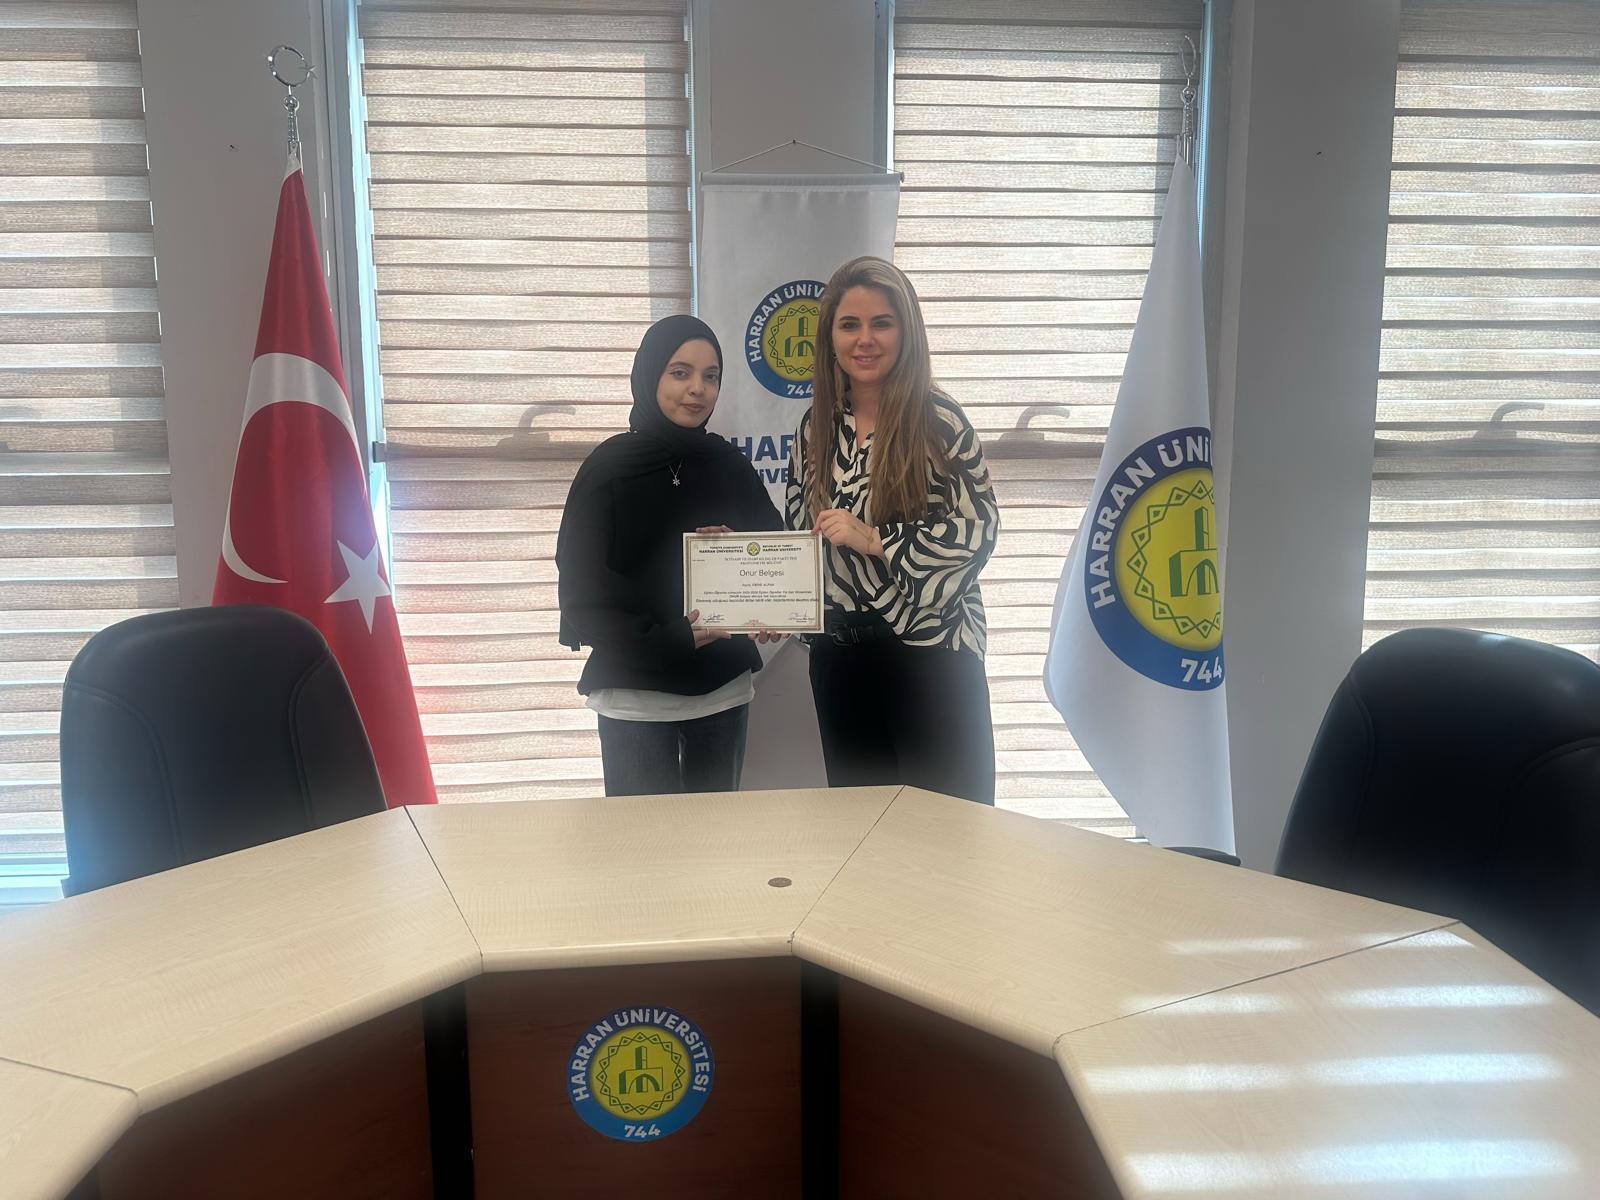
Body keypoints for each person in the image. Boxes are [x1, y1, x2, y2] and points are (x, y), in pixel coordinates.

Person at [785, 256, 1000, 805]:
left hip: (930, 653)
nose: (865, 339)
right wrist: (778, 605)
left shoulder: (939, 421)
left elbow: (977, 531)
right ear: (830, 337)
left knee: (947, 828)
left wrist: (876, 539)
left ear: (906, 331)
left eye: (881, 322)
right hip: (839, 660)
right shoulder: (815, 426)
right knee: (862, 831)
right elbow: (800, 532)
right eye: (849, 324)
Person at [557, 315, 780, 796]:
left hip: (722, 692)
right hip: (635, 697)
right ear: (649, 375)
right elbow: (582, 593)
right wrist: (674, 639)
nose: (697, 388)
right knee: (643, 842)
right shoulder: (608, 469)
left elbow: (775, 556)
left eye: (710, 376)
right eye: (680, 372)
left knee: (716, 838)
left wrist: (765, 600)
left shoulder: (730, 465)